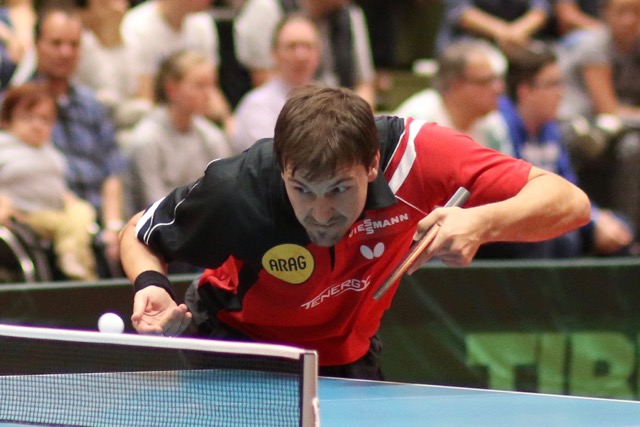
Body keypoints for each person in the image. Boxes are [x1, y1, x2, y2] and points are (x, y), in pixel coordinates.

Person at [119, 84, 591, 378]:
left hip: (345, 355)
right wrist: (150, 283)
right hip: (234, 349)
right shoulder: (235, 190)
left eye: (339, 189)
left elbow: (571, 204)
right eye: (302, 190)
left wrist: (482, 221)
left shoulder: (418, 156)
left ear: (371, 165)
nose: (321, 212)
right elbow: (140, 232)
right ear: (281, 168)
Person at [486, 45, 635, 258]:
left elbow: (568, 184)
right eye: (552, 84)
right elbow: (513, 193)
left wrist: (596, 218)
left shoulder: (550, 127)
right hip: (514, 220)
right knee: (562, 237)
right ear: (525, 90)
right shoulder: (500, 126)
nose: (561, 92)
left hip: (551, 213)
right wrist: (592, 221)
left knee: (621, 228)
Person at [32, 7, 128, 277]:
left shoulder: (93, 106)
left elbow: (112, 173)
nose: (66, 52)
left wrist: (113, 225)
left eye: (74, 45)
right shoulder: (17, 105)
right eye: (56, 43)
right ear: (36, 45)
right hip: (51, 223)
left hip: (99, 224)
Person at [556, 0, 640, 235]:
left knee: (634, 146)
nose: (629, 20)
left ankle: (628, 233)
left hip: (621, 127)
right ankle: (626, 233)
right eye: (621, 12)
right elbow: (607, 108)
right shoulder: (594, 47)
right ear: (605, 15)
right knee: (633, 148)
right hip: (580, 126)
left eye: (636, 12)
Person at [0, 82, 97, 280]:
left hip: (56, 209)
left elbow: (57, 185)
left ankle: (75, 261)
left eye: (45, 119)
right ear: (8, 120)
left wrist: (68, 199)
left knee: (83, 210)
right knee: (70, 226)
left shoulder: (50, 152)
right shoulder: (4, 147)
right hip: (25, 215)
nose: (37, 125)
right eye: (27, 118)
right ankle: (74, 262)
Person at [123, 49, 232, 215]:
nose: (209, 94)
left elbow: (227, 195)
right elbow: (155, 209)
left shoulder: (213, 138)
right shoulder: (146, 141)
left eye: (212, 85)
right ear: (171, 89)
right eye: (200, 85)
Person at [234, 0, 376, 107]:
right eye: (292, 46)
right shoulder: (265, 8)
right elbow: (263, 82)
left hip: (340, 113)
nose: (302, 55)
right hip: (284, 111)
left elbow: (365, 85)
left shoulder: (351, 14)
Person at [120, 0, 232, 131]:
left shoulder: (203, 22)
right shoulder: (137, 26)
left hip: (196, 120)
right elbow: (144, 98)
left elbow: (211, 88)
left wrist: (227, 121)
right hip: (154, 121)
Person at [394, 39, 511, 153]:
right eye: (485, 82)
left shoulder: (492, 126)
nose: (499, 88)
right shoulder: (417, 123)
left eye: (497, 80)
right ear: (456, 85)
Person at [230, 13, 321, 153]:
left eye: (307, 46)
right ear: (274, 54)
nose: (301, 55)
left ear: (318, 54)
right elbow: (270, 159)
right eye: (292, 46)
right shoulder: (257, 105)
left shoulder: (332, 102)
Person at [74, 0, 151, 130]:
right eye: (105, 4)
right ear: (84, 12)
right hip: (88, 124)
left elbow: (145, 98)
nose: (116, 7)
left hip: (132, 126)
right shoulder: (79, 46)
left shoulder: (135, 42)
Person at [435, 0, 551, 59]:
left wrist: (515, 34)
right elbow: (461, 13)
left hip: (520, 40)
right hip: (470, 39)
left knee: (548, 59)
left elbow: (540, 11)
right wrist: (506, 34)